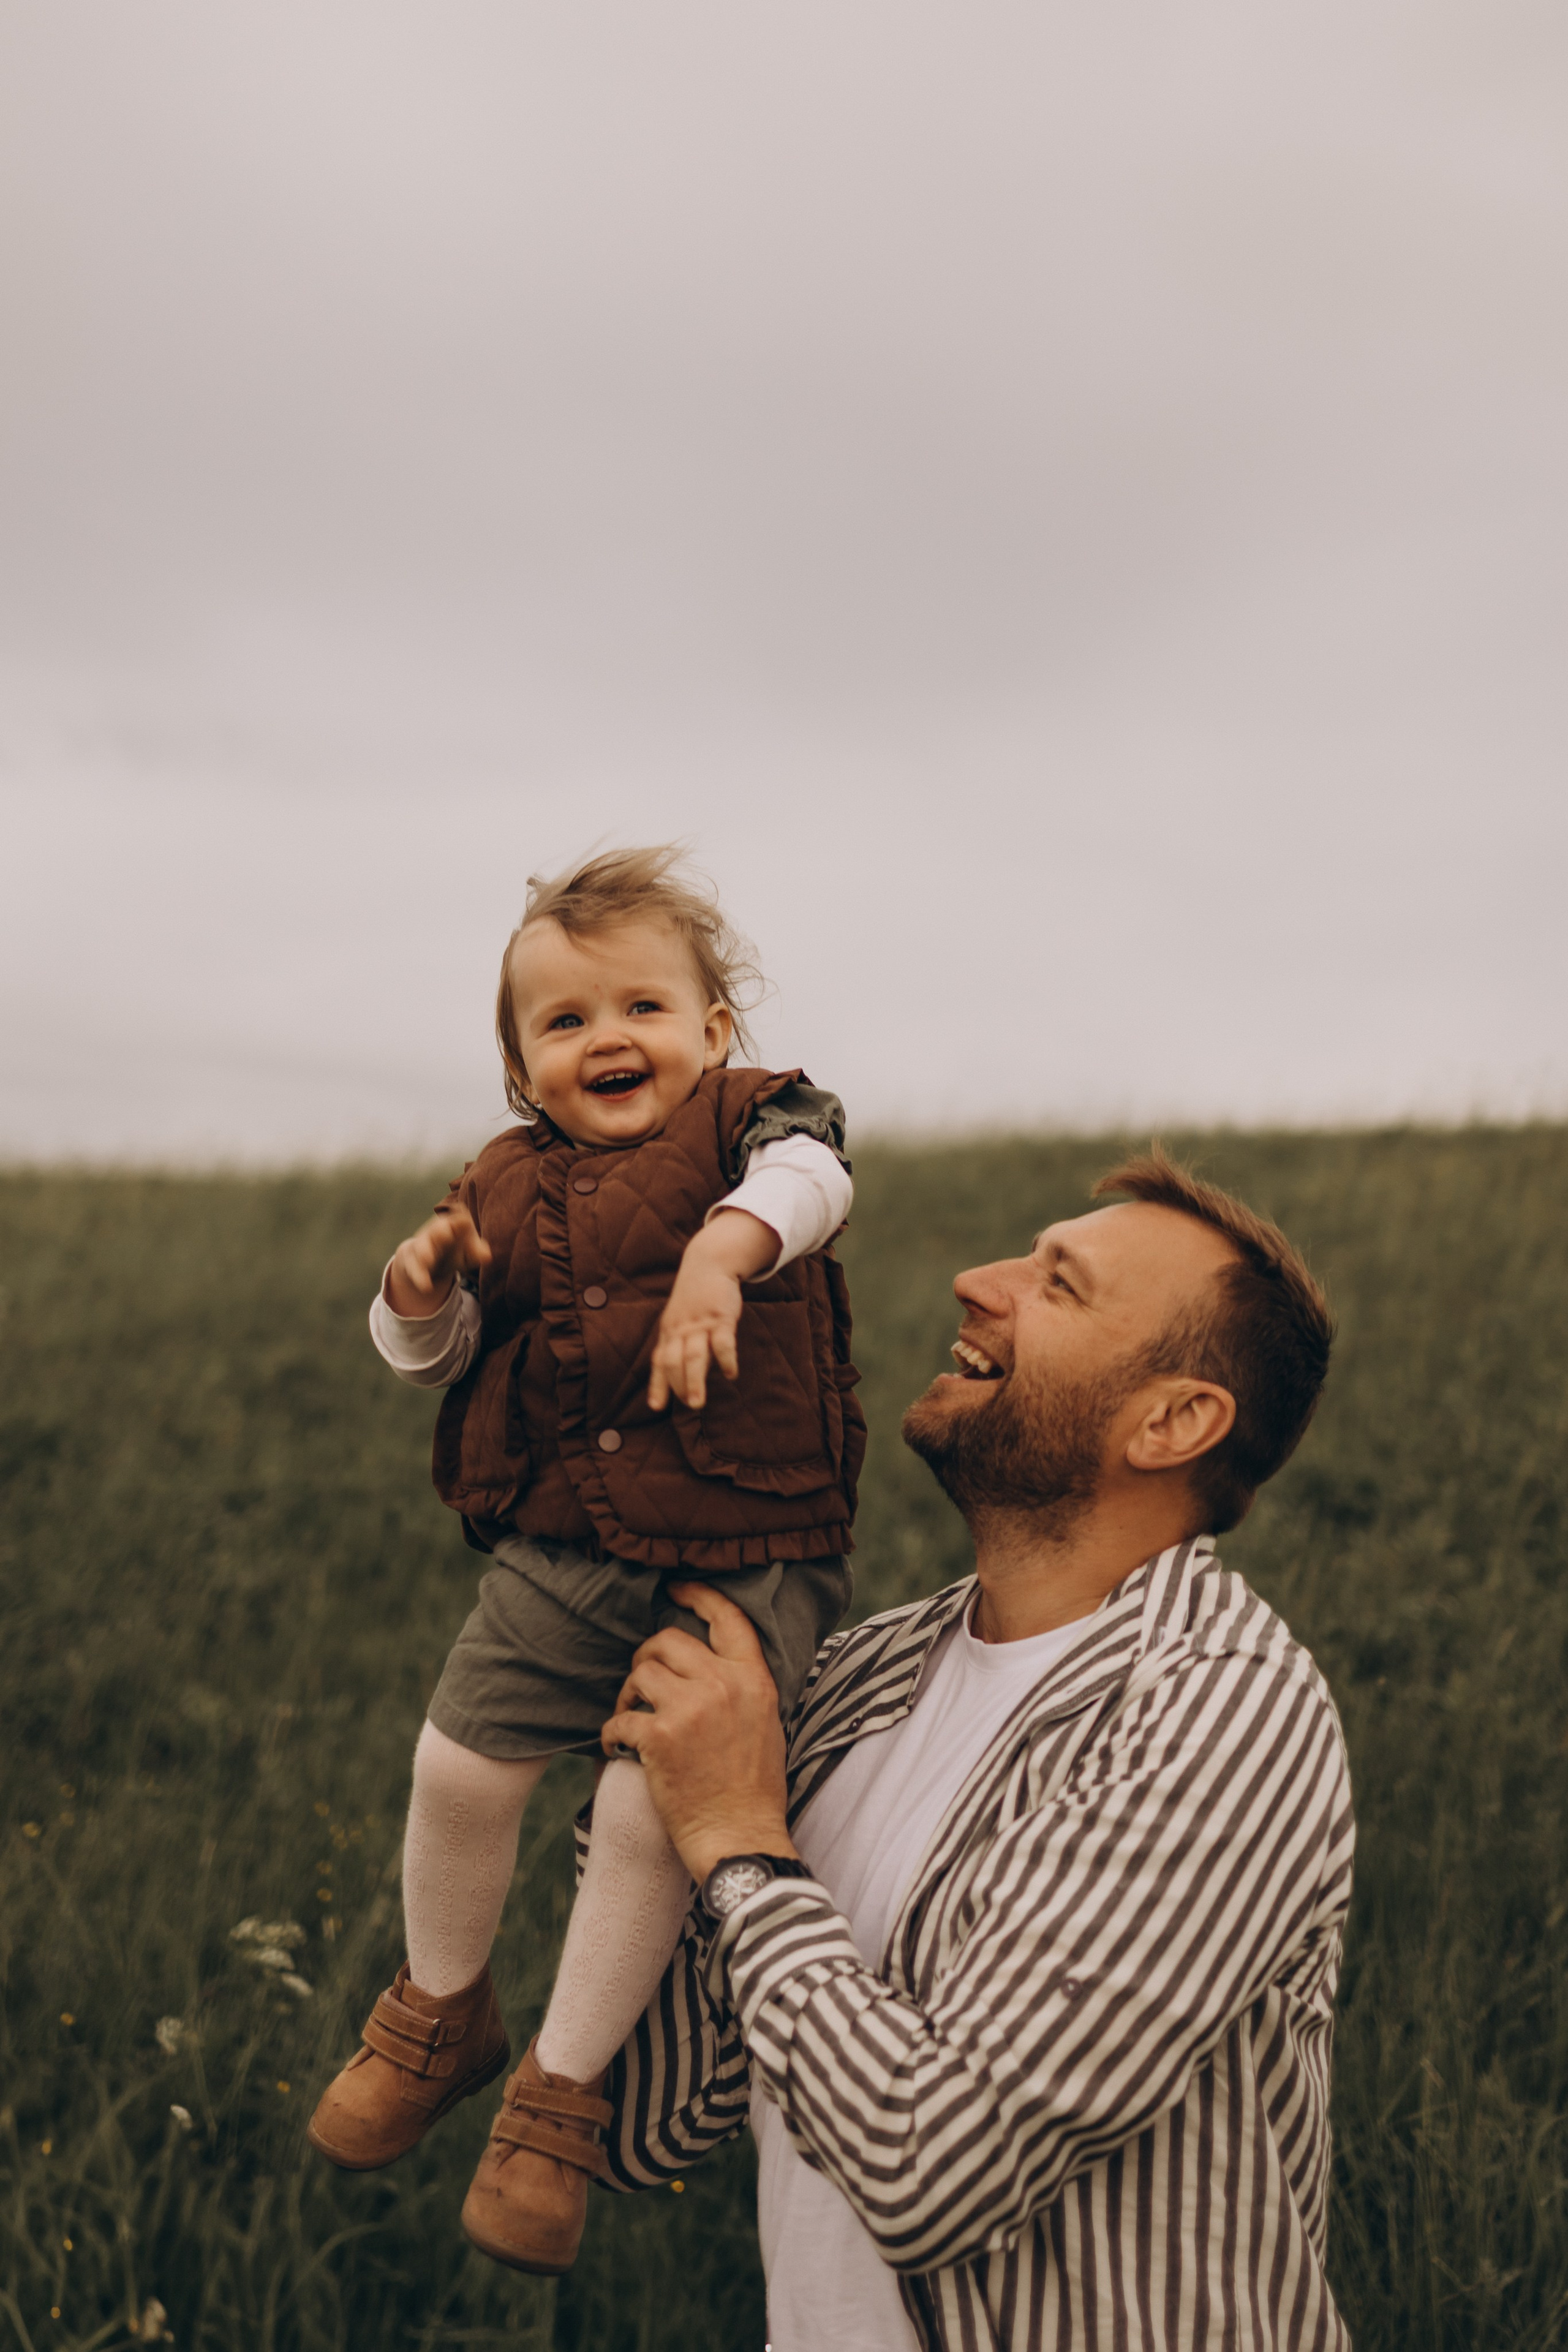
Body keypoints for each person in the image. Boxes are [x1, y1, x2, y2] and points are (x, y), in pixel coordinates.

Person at [595, 1150, 1354, 2352]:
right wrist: (647, 1789)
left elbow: (930, 2166)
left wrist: (738, 1843)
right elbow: (651, 2124)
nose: (973, 1281)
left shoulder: (1216, 1714)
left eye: (1056, 1284)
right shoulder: (859, 1675)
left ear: (1169, 1422)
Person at [304, 846, 864, 2278]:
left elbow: (816, 1181)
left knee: (643, 1811)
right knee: (456, 1767)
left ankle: (557, 2094)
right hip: (565, 1544)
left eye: (642, 1008)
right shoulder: (501, 1185)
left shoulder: (760, 1124)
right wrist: (413, 1295)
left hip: (743, 1546)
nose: (607, 1038)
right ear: (520, 1067)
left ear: (711, 1032)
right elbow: (436, 1360)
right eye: (561, 1023)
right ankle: (441, 2012)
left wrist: (716, 1259)